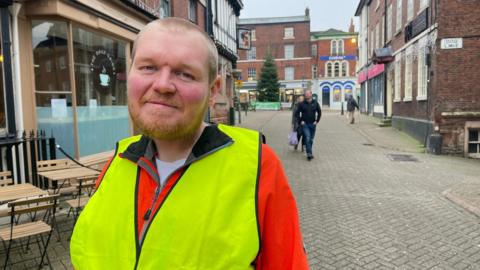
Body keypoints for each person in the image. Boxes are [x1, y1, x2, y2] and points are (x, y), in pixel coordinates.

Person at [70, 18, 309, 270]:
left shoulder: (257, 167)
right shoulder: (117, 162)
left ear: (213, 89)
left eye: (185, 73)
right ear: (130, 75)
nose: (162, 85)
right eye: (148, 67)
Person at [295, 90, 321, 161]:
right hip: (305, 124)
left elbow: (319, 112)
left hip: (313, 124)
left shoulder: (315, 103)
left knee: (311, 139)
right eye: (305, 94)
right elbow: (297, 114)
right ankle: (309, 153)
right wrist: (301, 121)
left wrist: (317, 121)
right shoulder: (302, 104)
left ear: (311, 94)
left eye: (307, 94)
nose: (306, 95)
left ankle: (309, 152)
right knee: (307, 137)